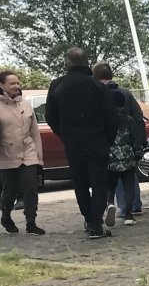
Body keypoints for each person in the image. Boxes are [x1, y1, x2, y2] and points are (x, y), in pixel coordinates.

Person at [45, 48, 121, 238]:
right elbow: (111, 117)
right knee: (98, 183)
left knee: (79, 182)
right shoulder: (96, 86)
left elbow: (50, 116)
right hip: (97, 140)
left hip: (73, 142)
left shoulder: (57, 85)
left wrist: (64, 134)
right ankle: (95, 222)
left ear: (67, 62)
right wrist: (107, 139)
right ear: (87, 62)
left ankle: (88, 218)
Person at [93, 63, 145, 224]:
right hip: (127, 150)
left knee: (109, 182)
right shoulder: (125, 94)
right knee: (129, 181)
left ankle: (109, 203)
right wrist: (140, 145)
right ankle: (130, 211)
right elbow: (138, 117)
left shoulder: (95, 95)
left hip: (107, 150)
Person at [0, 70, 45, 235]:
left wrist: (39, 156)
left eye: (18, 83)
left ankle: (31, 221)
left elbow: (35, 132)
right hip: (6, 153)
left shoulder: (25, 104)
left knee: (31, 187)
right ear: (2, 85)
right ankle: (5, 216)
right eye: (12, 83)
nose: (16, 86)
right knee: (9, 189)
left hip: (28, 151)